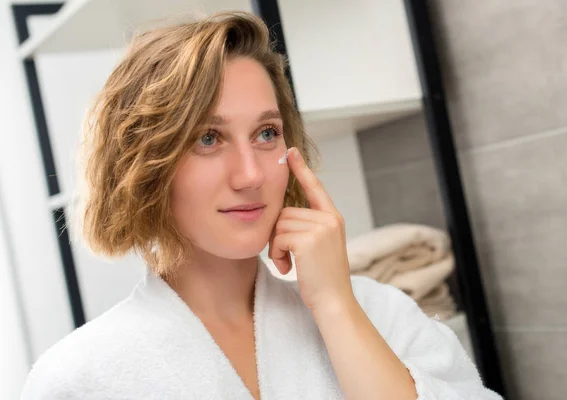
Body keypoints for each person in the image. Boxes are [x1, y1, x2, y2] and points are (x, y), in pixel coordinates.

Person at [21, 11, 503, 400]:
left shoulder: (379, 314)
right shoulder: (80, 379)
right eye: (208, 138)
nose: (250, 174)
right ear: (145, 164)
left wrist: (336, 307)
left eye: (267, 133)